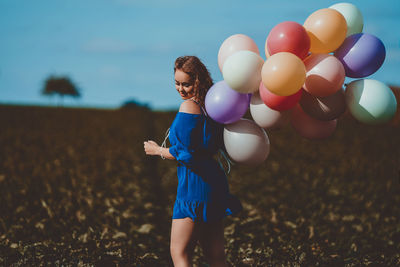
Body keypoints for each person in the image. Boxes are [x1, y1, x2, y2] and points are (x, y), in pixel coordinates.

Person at [144, 56, 242, 266]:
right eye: (177, 83)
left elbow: (185, 153)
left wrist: (156, 150)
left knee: (179, 252)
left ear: (197, 80)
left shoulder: (189, 107)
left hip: (194, 184)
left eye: (186, 83)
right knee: (215, 255)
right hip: (214, 183)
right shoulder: (213, 106)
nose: (181, 89)